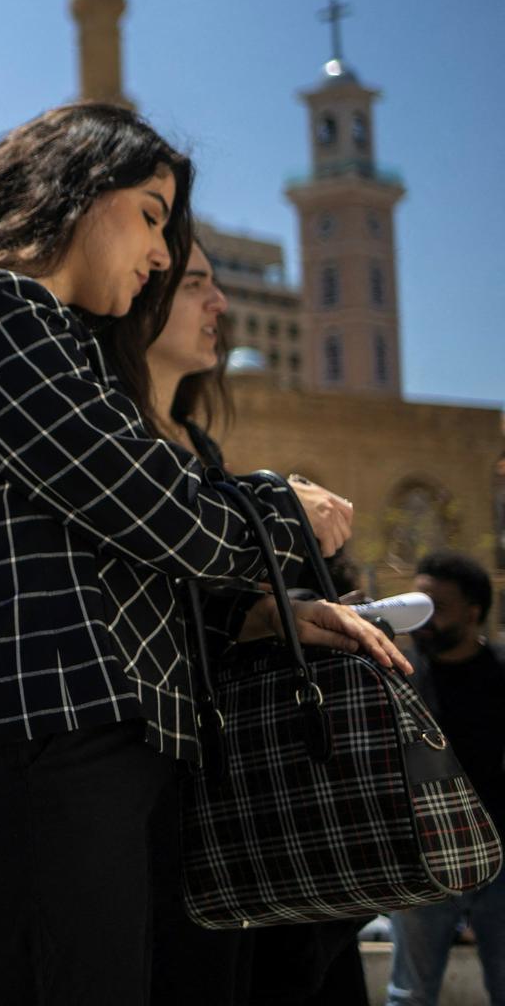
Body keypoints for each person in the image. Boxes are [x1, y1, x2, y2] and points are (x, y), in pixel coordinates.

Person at [0, 103, 396, 1006]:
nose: (161, 256)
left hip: (76, 748)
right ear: (73, 191)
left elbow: (119, 547)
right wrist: (284, 509)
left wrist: (252, 610)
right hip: (42, 741)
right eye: (152, 215)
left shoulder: (48, 333)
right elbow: (156, 512)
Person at [143, 242, 385, 1006]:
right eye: (195, 284)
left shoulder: (200, 453)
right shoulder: (112, 450)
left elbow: (205, 613)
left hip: (240, 799)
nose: (220, 304)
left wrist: (275, 615)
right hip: (160, 800)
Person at [388, 548, 505, 1005]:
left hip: (499, 857)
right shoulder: (400, 678)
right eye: (414, 607)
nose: (422, 621)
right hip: (424, 861)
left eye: (434, 608)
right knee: (409, 995)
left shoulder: (499, 675)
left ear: (473, 612)